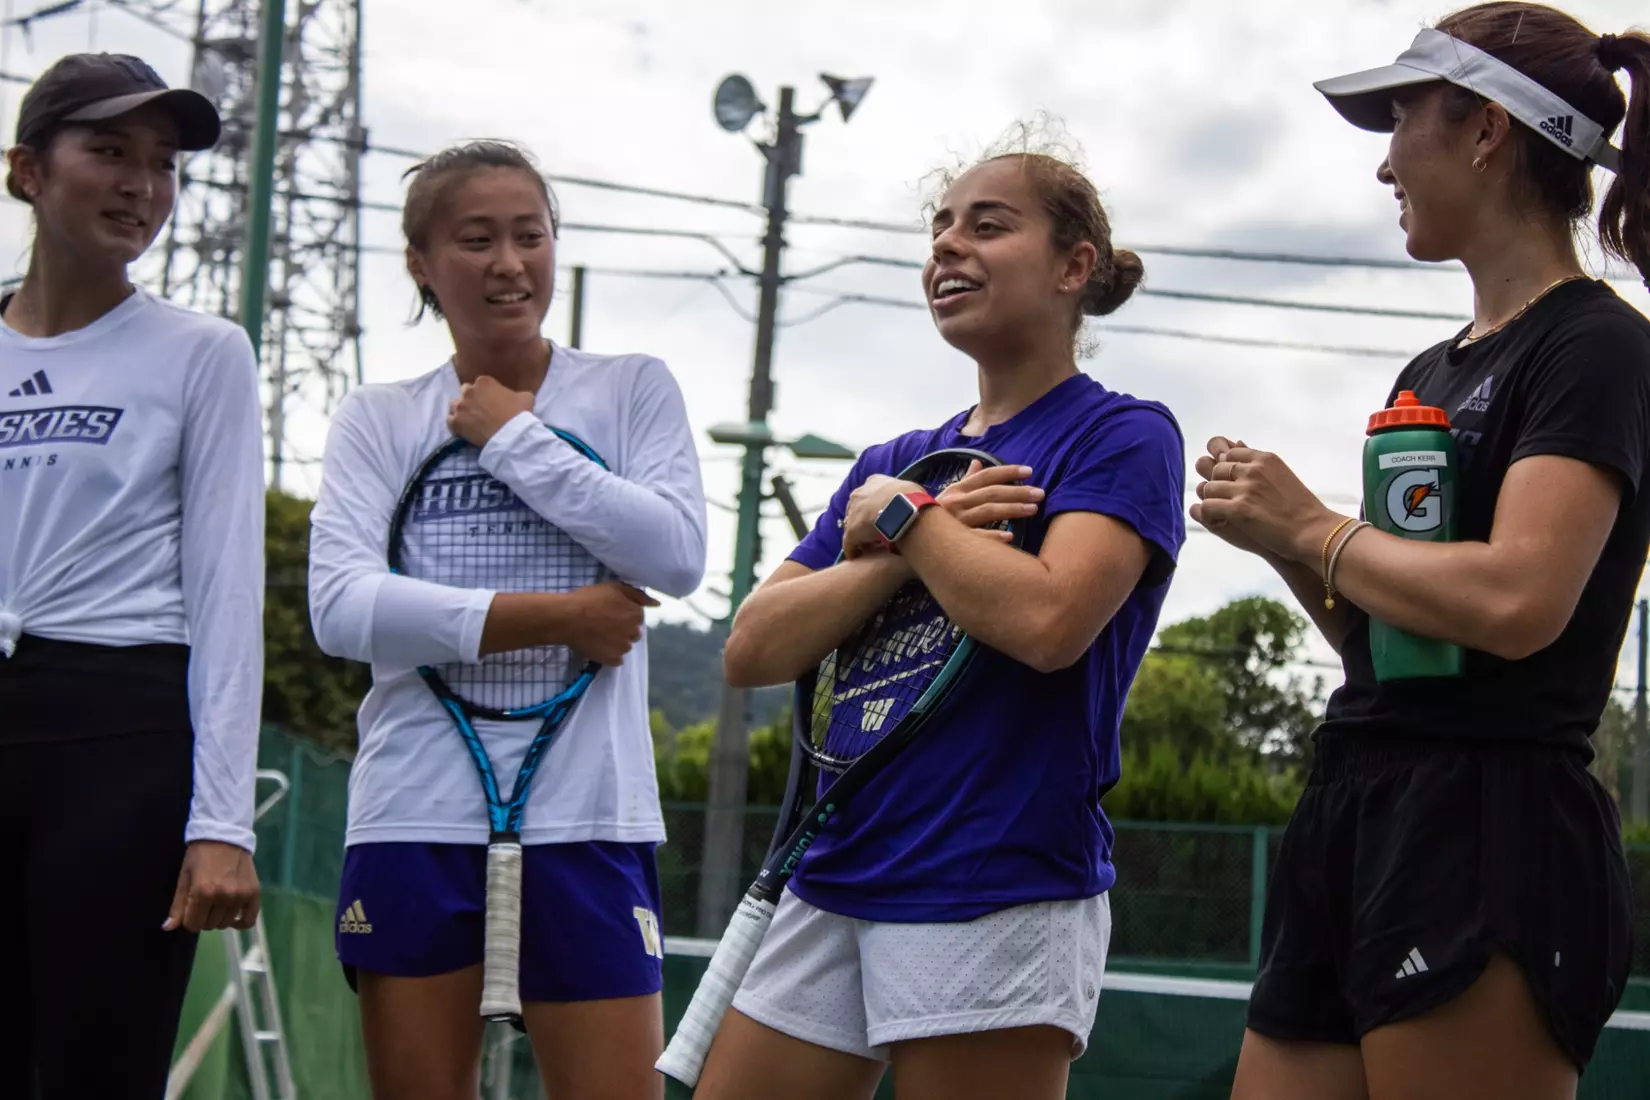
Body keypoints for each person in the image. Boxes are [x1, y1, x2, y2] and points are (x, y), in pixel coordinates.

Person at [1190, 6, 1650, 1099]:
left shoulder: (1598, 344)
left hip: (1491, 822)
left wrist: (1315, 527)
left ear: (1487, 130)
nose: (1384, 165)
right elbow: (1394, 642)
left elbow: (1518, 600)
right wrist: (1285, 544)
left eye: (1399, 122)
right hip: (1360, 798)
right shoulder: (1426, 372)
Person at [693, 131, 1187, 1100]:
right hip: (836, 867)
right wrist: (898, 543)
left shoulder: (1122, 433)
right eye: (940, 228)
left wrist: (906, 520)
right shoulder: (895, 456)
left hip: (993, 876)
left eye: (988, 226)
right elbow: (753, 644)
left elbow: (1049, 625)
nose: (948, 247)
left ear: (1073, 266)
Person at [307, 139, 708, 1100]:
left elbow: (674, 553)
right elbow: (342, 607)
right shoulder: (377, 418)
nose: (508, 263)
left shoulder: (631, 388)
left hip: (592, 821)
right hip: (411, 818)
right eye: (476, 239)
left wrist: (514, 437)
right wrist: (562, 616)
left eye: (529, 236)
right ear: (422, 263)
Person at [0, 53, 265, 1099]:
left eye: (162, 164)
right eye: (108, 150)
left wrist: (222, 821)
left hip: (120, 737)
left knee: (94, 1071)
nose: (141, 185)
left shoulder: (201, 352)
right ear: (26, 168)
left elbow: (229, 594)